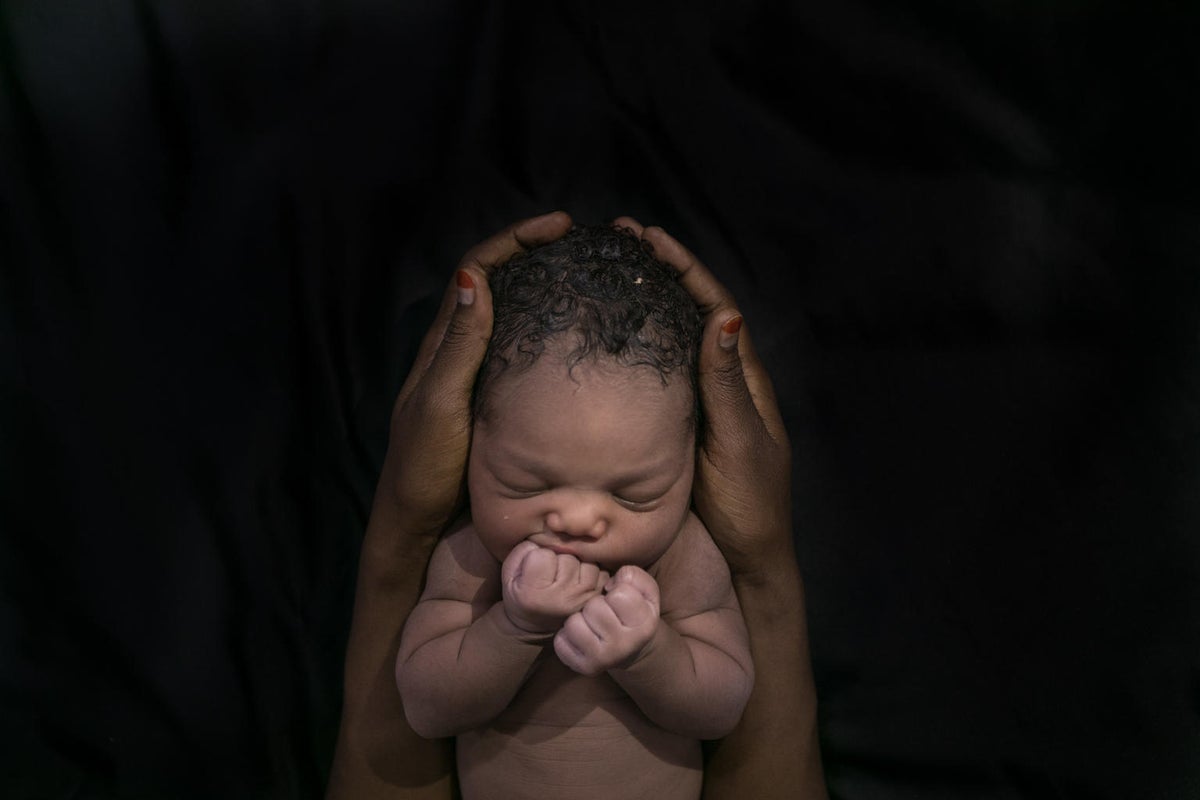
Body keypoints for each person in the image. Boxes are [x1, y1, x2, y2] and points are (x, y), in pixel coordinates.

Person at [326, 212, 827, 799]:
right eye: (526, 485)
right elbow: (425, 706)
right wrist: (510, 629)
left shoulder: (683, 558)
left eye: (634, 494)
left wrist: (652, 656)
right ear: (468, 447)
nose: (579, 520)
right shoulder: (471, 560)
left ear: (692, 465)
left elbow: (722, 707)